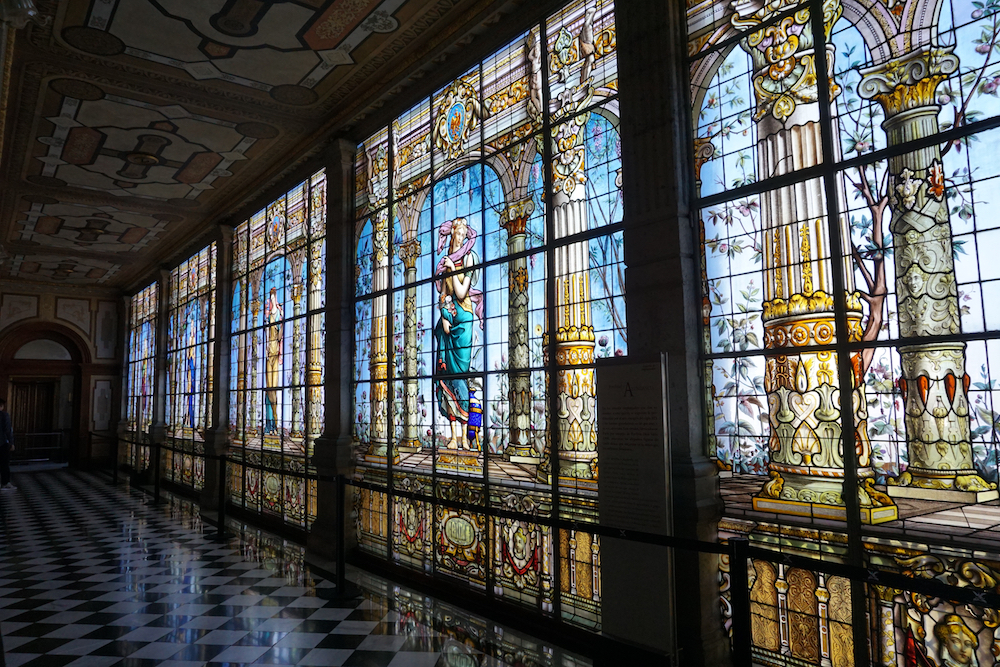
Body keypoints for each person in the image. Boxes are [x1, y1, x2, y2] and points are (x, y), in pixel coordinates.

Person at [433, 217, 483, 450]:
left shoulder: (470, 258)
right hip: (449, 321)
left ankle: (465, 435)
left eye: (464, 232)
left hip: (463, 321)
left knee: (460, 377)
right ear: (452, 233)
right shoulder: (445, 261)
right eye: (458, 232)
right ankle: (454, 436)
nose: (461, 236)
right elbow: (444, 293)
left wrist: (453, 269)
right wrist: (443, 315)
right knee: (446, 378)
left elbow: (462, 292)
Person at [0, 398, 14, 491]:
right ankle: (5, 483)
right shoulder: (4, 415)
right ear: (1, 406)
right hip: (2, 443)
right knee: (4, 464)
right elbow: (8, 430)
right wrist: (12, 443)